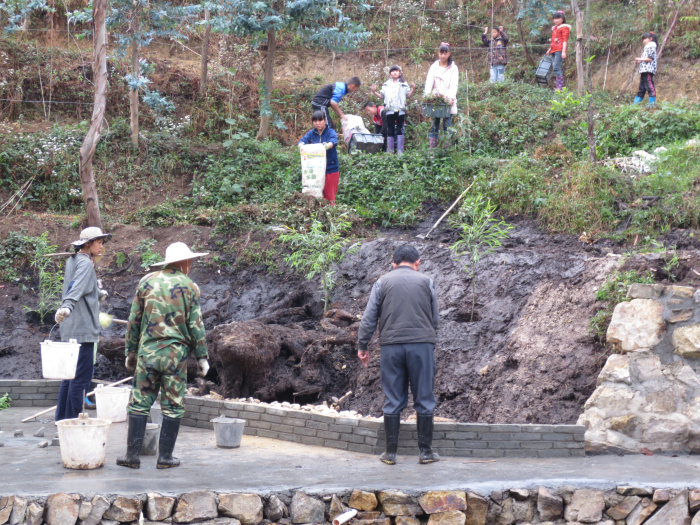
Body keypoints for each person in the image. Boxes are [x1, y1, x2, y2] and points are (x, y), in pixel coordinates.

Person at [117, 242, 210, 469]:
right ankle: (165, 458)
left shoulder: (146, 282)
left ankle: (132, 457)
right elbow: (196, 324)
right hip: (175, 356)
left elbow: (133, 320)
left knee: (139, 404)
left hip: (147, 353)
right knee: (173, 405)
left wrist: (130, 352)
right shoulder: (190, 286)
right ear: (183, 262)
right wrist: (202, 357)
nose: (191, 265)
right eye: (190, 261)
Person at [357, 245, 439, 465]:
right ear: (417, 262)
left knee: (393, 398)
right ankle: (425, 453)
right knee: (424, 397)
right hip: (421, 345)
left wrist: (363, 345)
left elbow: (369, 318)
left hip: (391, 347)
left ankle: (390, 454)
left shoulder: (382, 282)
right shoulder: (426, 281)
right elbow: (435, 318)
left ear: (393, 264)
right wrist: (429, 339)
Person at [54, 227, 111, 421]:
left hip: (70, 328)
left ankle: (62, 421)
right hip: (82, 329)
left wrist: (99, 293)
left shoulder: (74, 260)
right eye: (99, 242)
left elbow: (82, 285)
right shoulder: (86, 263)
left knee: (69, 377)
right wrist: (68, 306)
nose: (101, 246)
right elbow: (76, 287)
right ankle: (72, 422)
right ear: (88, 243)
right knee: (81, 379)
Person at [371, 66, 415, 155]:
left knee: (400, 129)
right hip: (389, 110)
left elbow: (408, 96)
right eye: (393, 71)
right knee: (390, 129)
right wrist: (374, 92)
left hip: (400, 109)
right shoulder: (386, 84)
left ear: (400, 73)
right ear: (390, 73)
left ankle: (400, 151)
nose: (395, 72)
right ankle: (390, 152)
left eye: (396, 71)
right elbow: (382, 96)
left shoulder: (404, 84)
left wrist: (413, 89)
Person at [298, 110, 340, 205]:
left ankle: (330, 211)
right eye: (315, 121)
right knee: (314, 195)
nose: (317, 123)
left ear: (325, 120)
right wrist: (301, 145)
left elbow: (334, 141)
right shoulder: (311, 133)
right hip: (315, 170)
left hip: (330, 168)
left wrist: (327, 146)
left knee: (329, 196)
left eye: (320, 120)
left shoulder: (330, 132)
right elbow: (302, 141)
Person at [424, 43, 459, 149]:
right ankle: (432, 151)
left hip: (447, 99)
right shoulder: (434, 67)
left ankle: (445, 151)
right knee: (434, 126)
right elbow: (429, 82)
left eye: (445, 53)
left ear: (449, 54)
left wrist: (451, 97)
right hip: (435, 99)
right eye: (441, 53)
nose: (443, 56)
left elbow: (454, 84)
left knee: (447, 126)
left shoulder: (453, 68)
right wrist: (427, 96)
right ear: (438, 53)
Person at [546, 11, 570, 92]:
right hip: (554, 50)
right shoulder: (555, 28)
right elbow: (553, 41)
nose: (556, 20)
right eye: (554, 18)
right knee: (555, 67)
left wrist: (563, 52)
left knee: (556, 67)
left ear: (562, 19)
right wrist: (549, 49)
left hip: (559, 50)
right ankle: (559, 87)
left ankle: (560, 88)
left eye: (558, 18)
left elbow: (565, 40)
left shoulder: (564, 28)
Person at [634, 31, 658, 106]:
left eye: (645, 39)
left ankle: (652, 105)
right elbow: (647, 59)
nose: (643, 41)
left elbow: (650, 58)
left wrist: (640, 59)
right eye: (643, 39)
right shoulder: (648, 47)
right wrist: (640, 61)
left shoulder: (651, 46)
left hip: (648, 70)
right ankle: (635, 105)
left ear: (651, 38)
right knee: (642, 88)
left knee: (650, 86)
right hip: (644, 70)